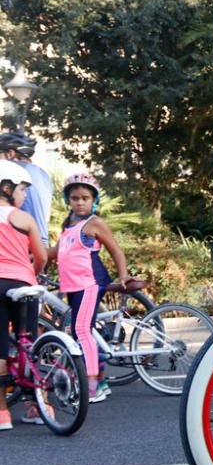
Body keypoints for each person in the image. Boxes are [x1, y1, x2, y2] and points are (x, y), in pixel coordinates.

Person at [49, 173, 130, 403]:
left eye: (85, 197)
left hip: (89, 283)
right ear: (68, 200)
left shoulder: (94, 223)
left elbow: (115, 250)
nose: (80, 202)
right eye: (75, 198)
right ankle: (100, 382)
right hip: (73, 286)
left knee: (81, 332)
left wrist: (123, 275)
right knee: (83, 332)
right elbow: (54, 253)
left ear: (94, 200)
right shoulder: (69, 225)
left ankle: (94, 386)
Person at [0, 161, 49, 429]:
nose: (25, 195)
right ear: (7, 188)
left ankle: (2, 414)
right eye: (22, 189)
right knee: (29, 342)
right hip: (24, 282)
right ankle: (39, 406)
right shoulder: (24, 218)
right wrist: (32, 272)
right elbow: (40, 257)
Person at [0, 133, 53, 246]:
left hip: (23, 248)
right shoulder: (40, 173)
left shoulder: (18, 175)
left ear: (10, 154)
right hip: (34, 245)